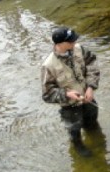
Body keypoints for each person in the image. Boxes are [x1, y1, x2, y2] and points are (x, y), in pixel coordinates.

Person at [42, 26, 100, 157]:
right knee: (74, 130)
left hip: (88, 99)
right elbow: (47, 95)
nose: (74, 43)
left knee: (93, 124)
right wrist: (67, 94)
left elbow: (92, 65)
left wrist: (91, 87)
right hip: (69, 107)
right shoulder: (48, 65)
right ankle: (78, 146)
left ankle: (97, 141)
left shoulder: (79, 50)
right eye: (71, 41)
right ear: (60, 44)